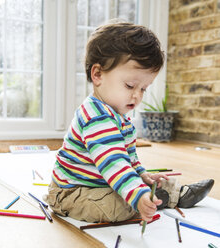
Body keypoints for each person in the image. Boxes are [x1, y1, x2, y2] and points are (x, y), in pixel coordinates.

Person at [46, 22, 214, 223]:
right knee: (120, 205)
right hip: (72, 193)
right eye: (130, 85)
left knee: (147, 184)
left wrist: (142, 175)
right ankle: (158, 198)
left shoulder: (119, 115)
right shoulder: (96, 116)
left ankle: (173, 193)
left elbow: (128, 157)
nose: (137, 96)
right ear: (98, 74)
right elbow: (113, 162)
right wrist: (137, 194)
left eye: (143, 88)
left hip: (101, 183)